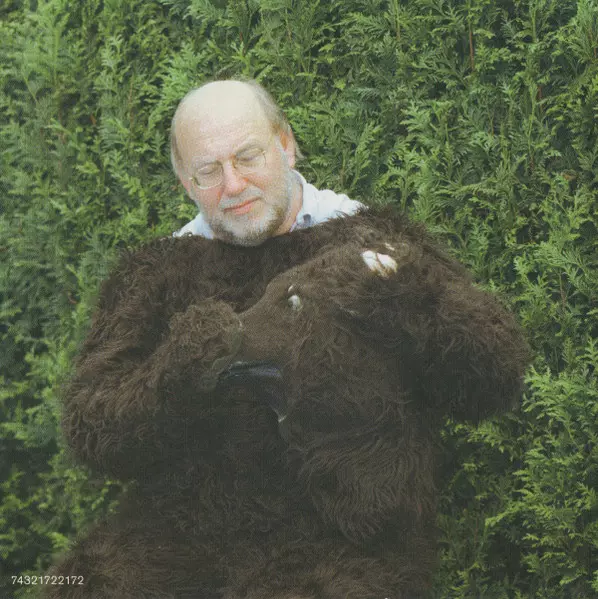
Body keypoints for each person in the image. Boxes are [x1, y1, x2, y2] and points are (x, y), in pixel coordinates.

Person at [169, 79, 364, 245]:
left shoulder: (359, 236)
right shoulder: (174, 267)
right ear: (188, 185)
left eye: (248, 157)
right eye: (209, 171)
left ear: (286, 147)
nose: (234, 186)